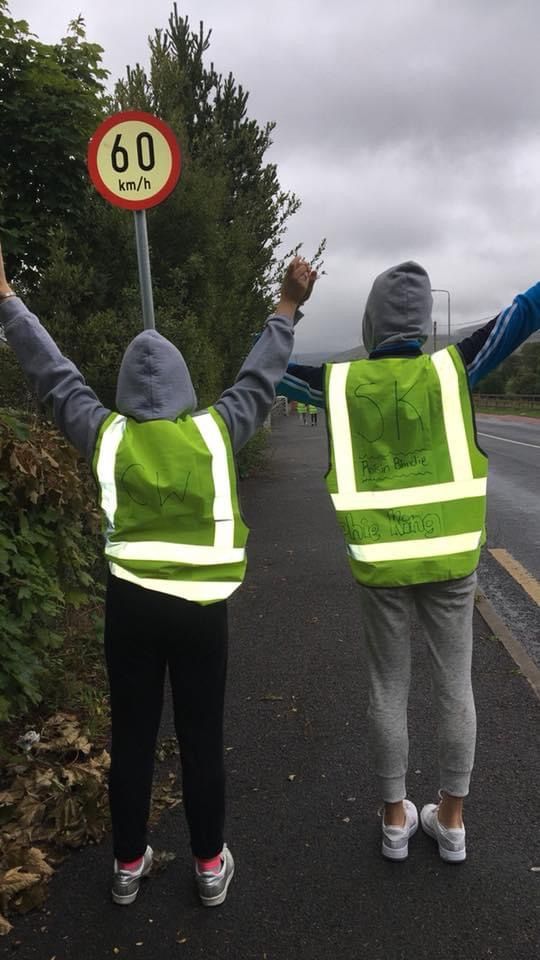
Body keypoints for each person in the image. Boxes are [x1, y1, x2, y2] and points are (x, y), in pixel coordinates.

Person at [0, 243, 316, 904]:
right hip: (202, 610)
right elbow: (259, 378)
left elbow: (54, 376)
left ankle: (126, 866)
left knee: (135, 735)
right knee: (201, 736)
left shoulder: (105, 434)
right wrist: (287, 303)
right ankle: (207, 867)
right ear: (181, 386)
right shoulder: (213, 430)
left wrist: (8, 300)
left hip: (130, 608)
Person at [278, 260, 540, 863]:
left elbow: (264, 370)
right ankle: (451, 821)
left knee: (387, 686)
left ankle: (395, 819)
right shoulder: (454, 369)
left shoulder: (337, 384)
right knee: (455, 685)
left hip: (380, 564)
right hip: (451, 560)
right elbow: (524, 313)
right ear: (423, 325)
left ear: (371, 323)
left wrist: (288, 306)